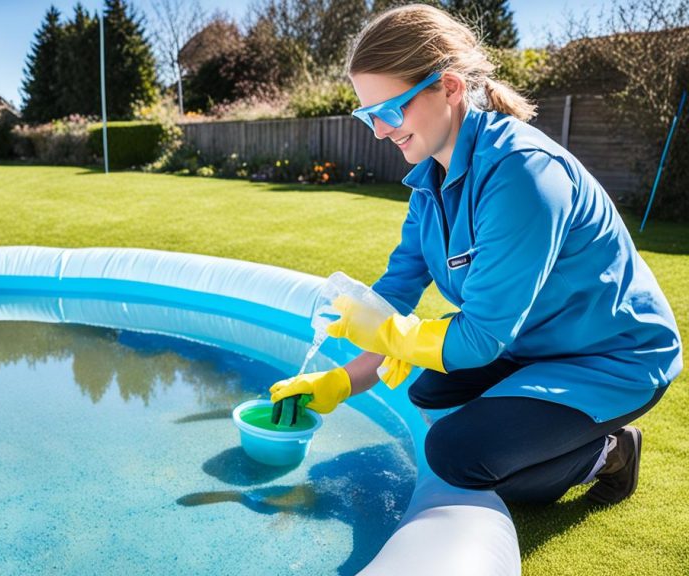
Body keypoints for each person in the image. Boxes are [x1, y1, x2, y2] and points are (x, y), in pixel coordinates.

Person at [269, 4, 682, 505]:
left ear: (449, 87)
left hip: (611, 357)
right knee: (427, 393)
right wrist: (339, 381)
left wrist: (395, 336)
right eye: (367, 115)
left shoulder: (522, 174)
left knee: (458, 454)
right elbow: (393, 298)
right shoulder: (428, 186)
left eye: (389, 110)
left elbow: (481, 338)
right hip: (531, 344)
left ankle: (610, 452)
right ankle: (537, 429)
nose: (378, 130)